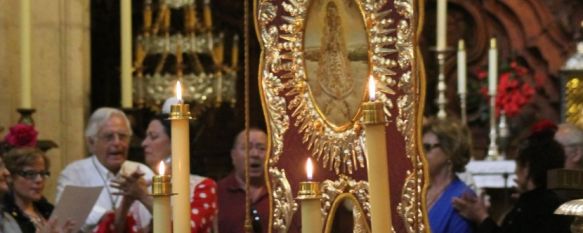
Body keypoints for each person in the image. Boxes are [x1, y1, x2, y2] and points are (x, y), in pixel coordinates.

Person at [96, 114, 218, 232]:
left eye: (153, 137)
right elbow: (115, 229)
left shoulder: (202, 186)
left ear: (175, 142)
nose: (144, 143)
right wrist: (126, 201)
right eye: (145, 137)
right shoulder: (143, 185)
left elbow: (186, 230)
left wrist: (144, 197)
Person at [452, 122, 572, 233]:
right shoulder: (550, 201)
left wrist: (481, 216)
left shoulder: (533, 208)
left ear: (527, 168)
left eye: (518, 165)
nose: (515, 171)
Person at [56, 107, 154, 232]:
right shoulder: (73, 174)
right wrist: (112, 214)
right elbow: (69, 219)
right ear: (91, 143)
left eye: (123, 136)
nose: (117, 143)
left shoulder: (142, 171)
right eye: (109, 137)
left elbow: (161, 218)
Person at [423, 117, 475, 233]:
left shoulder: (462, 198)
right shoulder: (419, 190)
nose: (421, 154)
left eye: (427, 148)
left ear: (449, 151)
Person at [218, 128, 269, 233]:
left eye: (262, 148)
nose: (255, 154)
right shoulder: (217, 193)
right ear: (233, 156)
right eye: (247, 148)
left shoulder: (281, 193)